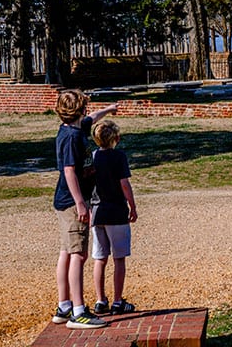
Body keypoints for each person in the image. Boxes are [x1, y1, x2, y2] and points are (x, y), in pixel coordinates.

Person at [52, 90, 118, 330]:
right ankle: (78, 312)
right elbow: (69, 170)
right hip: (71, 201)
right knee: (78, 255)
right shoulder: (70, 137)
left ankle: (64, 305)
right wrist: (80, 202)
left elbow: (93, 117)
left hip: (65, 200)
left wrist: (109, 109)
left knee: (67, 253)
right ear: (78, 110)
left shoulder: (75, 127)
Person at [90, 119, 138, 316]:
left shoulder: (92, 157)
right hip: (116, 211)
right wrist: (132, 206)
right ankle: (118, 301)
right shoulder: (119, 156)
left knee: (100, 258)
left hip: (97, 210)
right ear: (116, 138)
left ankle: (100, 300)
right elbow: (124, 183)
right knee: (119, 258)